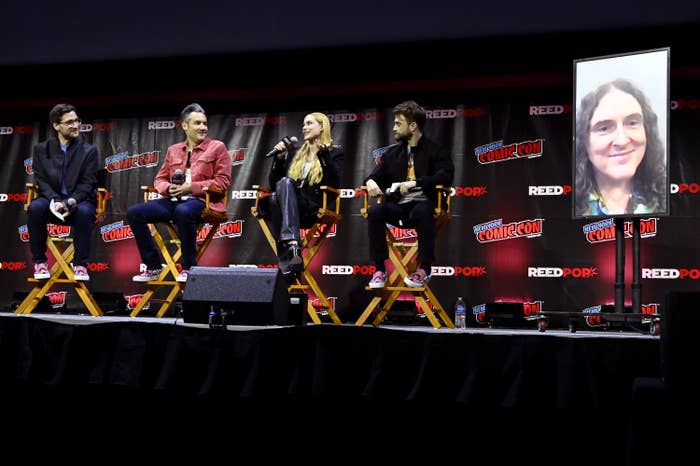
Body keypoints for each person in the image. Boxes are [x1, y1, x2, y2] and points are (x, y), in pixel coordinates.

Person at [127, 103, 231, 283]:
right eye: (197, 123)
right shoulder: (173, 150)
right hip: (173, 200)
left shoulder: (217, 147)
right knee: (134, 213)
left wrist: (190, 187)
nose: (203, 127)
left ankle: (188, 267)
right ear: (185, 126)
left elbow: (223, 182)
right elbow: (159, 179)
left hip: (202, 201)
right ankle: (153, 266)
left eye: (204, 123)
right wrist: (168, 188)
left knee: (183, 211)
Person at [364, 100, 454, 288]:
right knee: (375, 212)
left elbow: (446, 175)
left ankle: (424, 269)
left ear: (413, 126)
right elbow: (374, 175)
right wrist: (370, 182)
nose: (394, 127)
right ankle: (380, 270)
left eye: (398, 123)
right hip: (399, 207)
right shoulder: (392, 153)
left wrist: (416, 182)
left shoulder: (435, 149)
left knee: (422, 210)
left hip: (425, 205)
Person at [264, 112, 344, 279]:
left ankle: (289, 248)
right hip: (291, 208)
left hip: (313, 206)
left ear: (322, 127)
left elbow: (335, 184)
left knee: (280, 192)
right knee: (275, 195)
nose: (304, 127)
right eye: (303, 124)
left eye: (309, 123)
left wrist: (323, 156)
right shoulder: (295, 154)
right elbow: (275, 186)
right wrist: (279, 159)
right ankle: (292, 251)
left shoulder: (334, 153)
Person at [575, 78, 667, 217]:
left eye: (632, 123)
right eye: (604, 128)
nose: (622, 141)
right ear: (584, 141)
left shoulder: (673, 197)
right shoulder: (564, 203)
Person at [28, 103, 99, 281]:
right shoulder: (41, 150)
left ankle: (81, 265)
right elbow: (41, 180)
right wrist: (55, 200)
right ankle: (40, 262)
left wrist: (70, 202)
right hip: (51, 200)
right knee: (35, 208)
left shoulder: (89, 151)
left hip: (79, 202)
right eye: (69, 122)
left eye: (77, 121)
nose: (75, 125)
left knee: (84, 212)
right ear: (56, 125)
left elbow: (88, 183)